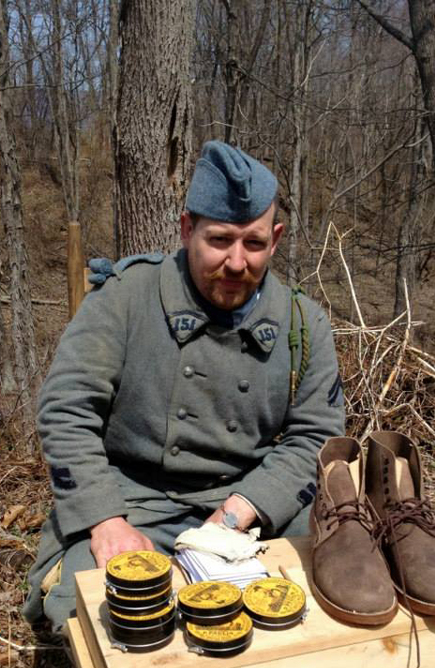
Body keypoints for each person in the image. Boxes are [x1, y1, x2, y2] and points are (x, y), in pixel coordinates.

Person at [23, 141, 345, 634]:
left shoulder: (303, 322)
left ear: (275, 239)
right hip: (133, 498)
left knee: (324, 592)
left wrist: (239, 514)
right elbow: (67, 411)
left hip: (252, 500)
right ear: (187, 229)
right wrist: (106, 520)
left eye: (254, 244)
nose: (237, 262)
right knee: (99, 617)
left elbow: (315, 437)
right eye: (219, 240)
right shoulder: (125, 298)